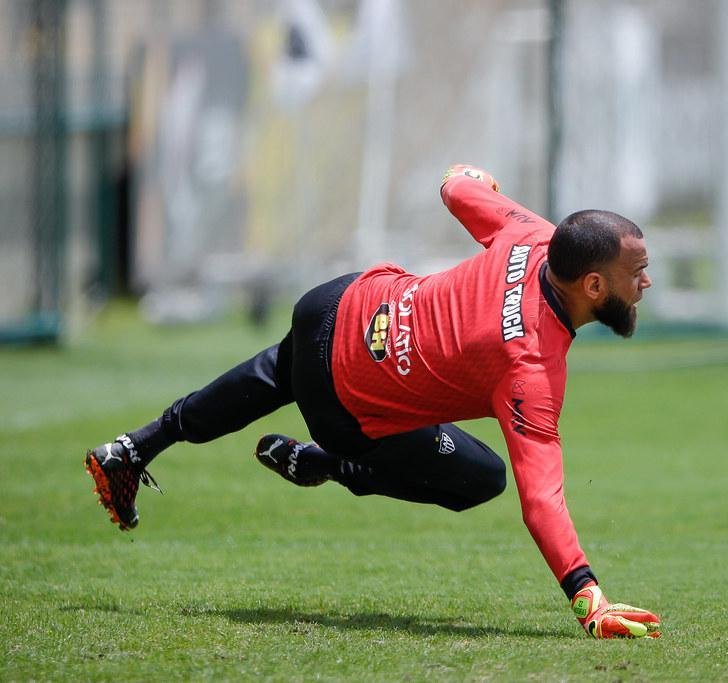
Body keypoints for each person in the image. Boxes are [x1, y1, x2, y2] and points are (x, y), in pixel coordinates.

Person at [85, 165, 660, 639]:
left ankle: (134, 448)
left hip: (336, 304)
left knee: (277, 374)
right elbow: (542, 498)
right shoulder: (530, 365)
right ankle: (329, 464)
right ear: (591, 286)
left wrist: (474, 177)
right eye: (637, 273)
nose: (645, 283)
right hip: (344, 403)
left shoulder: (535, 236)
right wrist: (589, 595)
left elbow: (457, 187)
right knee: (484, 478)